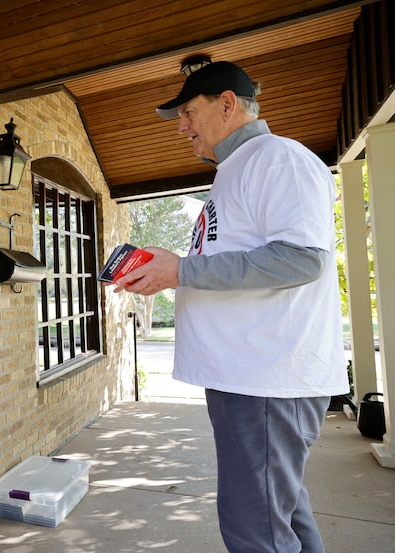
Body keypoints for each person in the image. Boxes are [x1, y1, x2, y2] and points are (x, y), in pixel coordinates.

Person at [114, 61, 349, 552]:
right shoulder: (236, 171)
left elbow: (302, 260)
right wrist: (169, 271)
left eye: (187, 112)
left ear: (227, 103)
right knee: (281, 519)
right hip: (248, 382)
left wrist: (180, 271)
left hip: (266, 382)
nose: (181, 127)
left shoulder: (277, 158)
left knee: (255, 532)